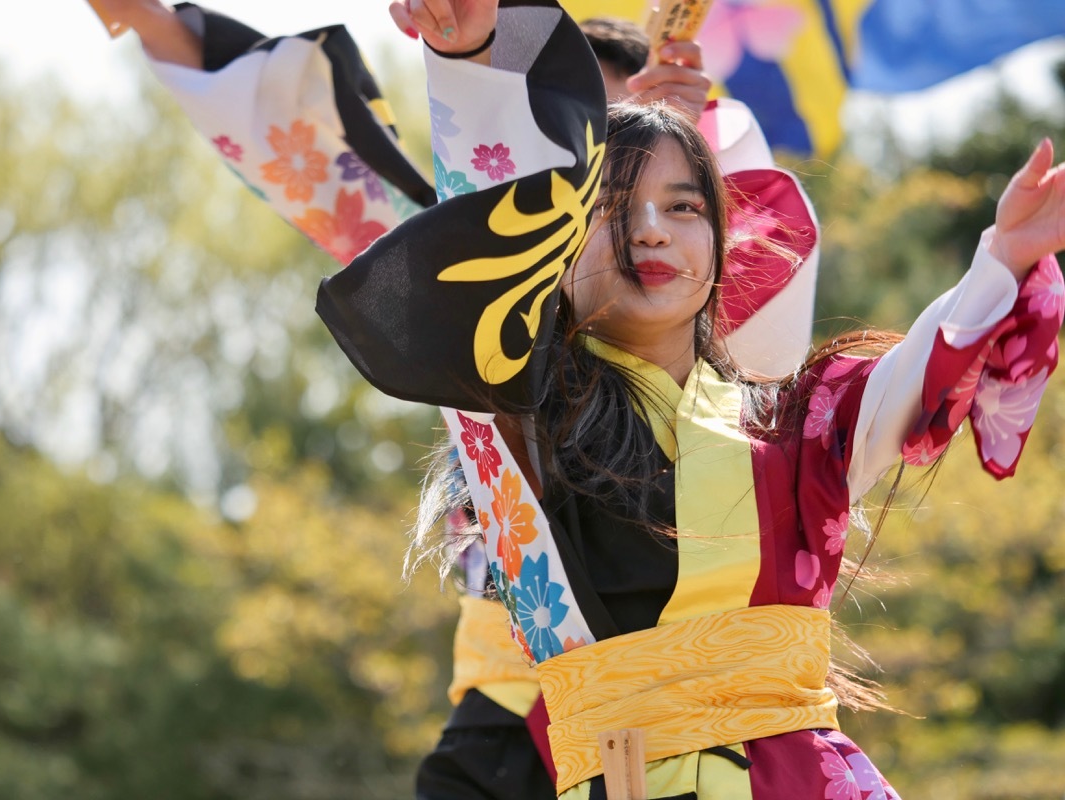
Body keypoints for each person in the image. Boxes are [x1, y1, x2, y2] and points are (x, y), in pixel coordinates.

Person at [314, 0, 1065, 797]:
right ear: (551, 247)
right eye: (610, 208)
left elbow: (916, 370)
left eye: (684, 208)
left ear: (722, 239)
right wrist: (466, 58)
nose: (653, 232)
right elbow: (486, 266)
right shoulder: (520, 418)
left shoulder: (793, 424)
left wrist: (1001, 258)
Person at [93, 3, 817, 796]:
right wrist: (148, 20)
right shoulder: (460, 262)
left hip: (691, 725)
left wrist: (690, 144)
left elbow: (769, 343)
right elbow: (307, 146)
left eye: (634, 162)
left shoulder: (696, 265)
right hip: (514, 699)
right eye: (583, 158)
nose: (594, 183)